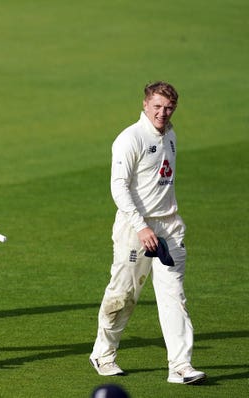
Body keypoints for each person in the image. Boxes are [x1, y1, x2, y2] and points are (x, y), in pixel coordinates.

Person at [89, 82, 205, 384]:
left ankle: (180, 366)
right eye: (157, 106)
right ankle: (104, 354)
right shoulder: (131, 138)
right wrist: (141, 227)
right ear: (145, 105)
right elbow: (118, 186)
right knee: (123, 295)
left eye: (168, 108)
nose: (162, 113)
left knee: (174, 296)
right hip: (135, 228)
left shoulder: (171, 135)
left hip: (169, 227)